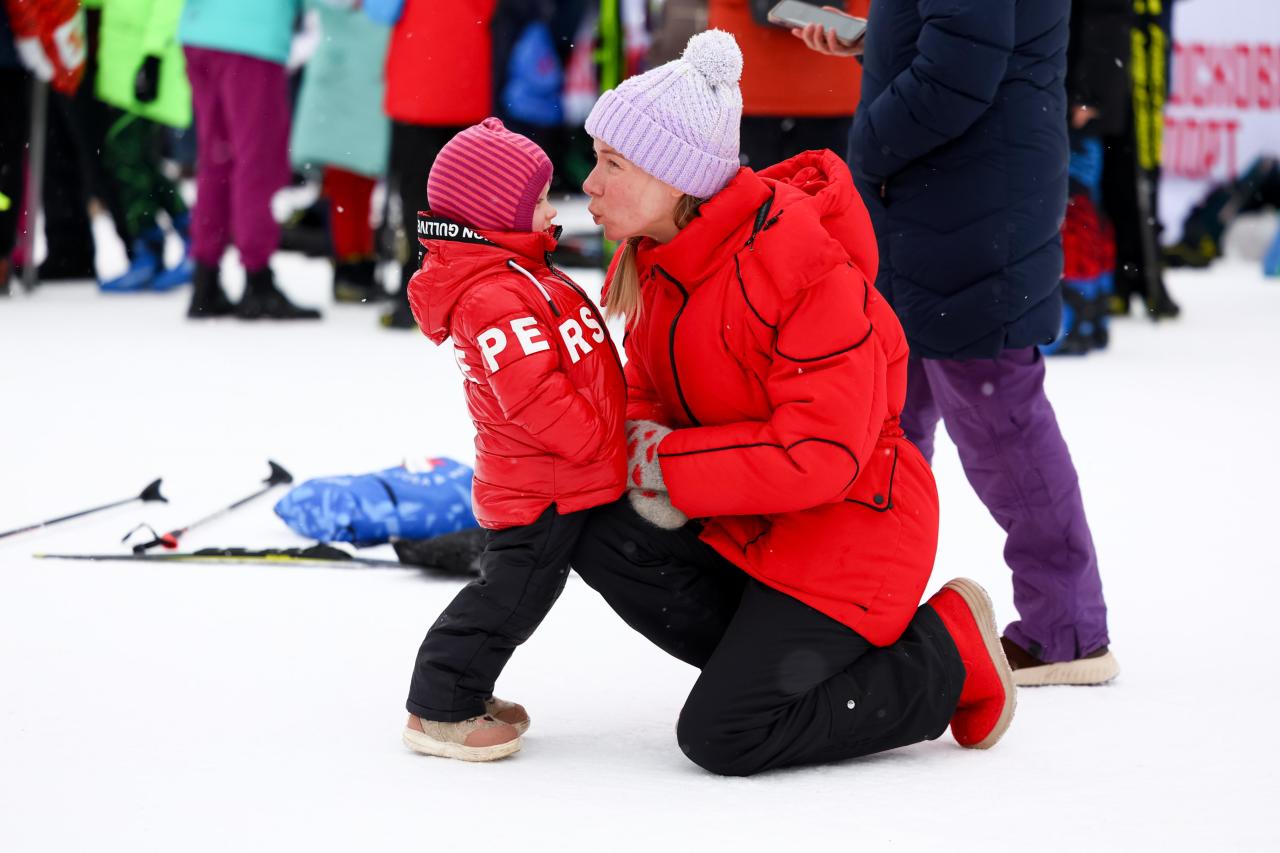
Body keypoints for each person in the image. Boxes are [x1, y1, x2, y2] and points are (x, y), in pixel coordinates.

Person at [570, 30, 1015, 778]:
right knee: (589, 519)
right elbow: (647, 393)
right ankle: (780, 661)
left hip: (850, 534)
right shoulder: (649, 260)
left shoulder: (798, 264)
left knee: (723, 733)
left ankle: (947, 653)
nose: (589, 184)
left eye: (612, 164)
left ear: (676, 178)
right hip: (751, 525)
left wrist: (664, 462)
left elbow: (819, 457)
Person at [798, 0, 1120, 685]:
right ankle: (859, 604)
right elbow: (963, 43)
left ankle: (1064, 629)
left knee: (997, 417)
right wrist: (875, 45)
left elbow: (962, 66)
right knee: (888, 418)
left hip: (968, 200)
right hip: (952, 197)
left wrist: (869, 141)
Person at [401, 118, 626, 761]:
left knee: (520, 593)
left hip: (558, 476)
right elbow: (532, 397)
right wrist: (593, 442)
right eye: (538, 201)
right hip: (544, 483)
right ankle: (441, 705)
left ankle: (464, 687)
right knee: (510, 596)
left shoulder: (521, 276)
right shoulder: (494, 296)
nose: (554, 210)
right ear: (495, 216)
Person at [179, 0, 320, 319]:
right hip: (254, 35)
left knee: (216, 159)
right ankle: (257, 279)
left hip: (201, 28)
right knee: (256, 162)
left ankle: (206, 277)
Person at [289, 0, 391, 304]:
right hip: (347, 86)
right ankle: (352, 270)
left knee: (360, 184)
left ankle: (358, 267)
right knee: (346, 187)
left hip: (363, 84)